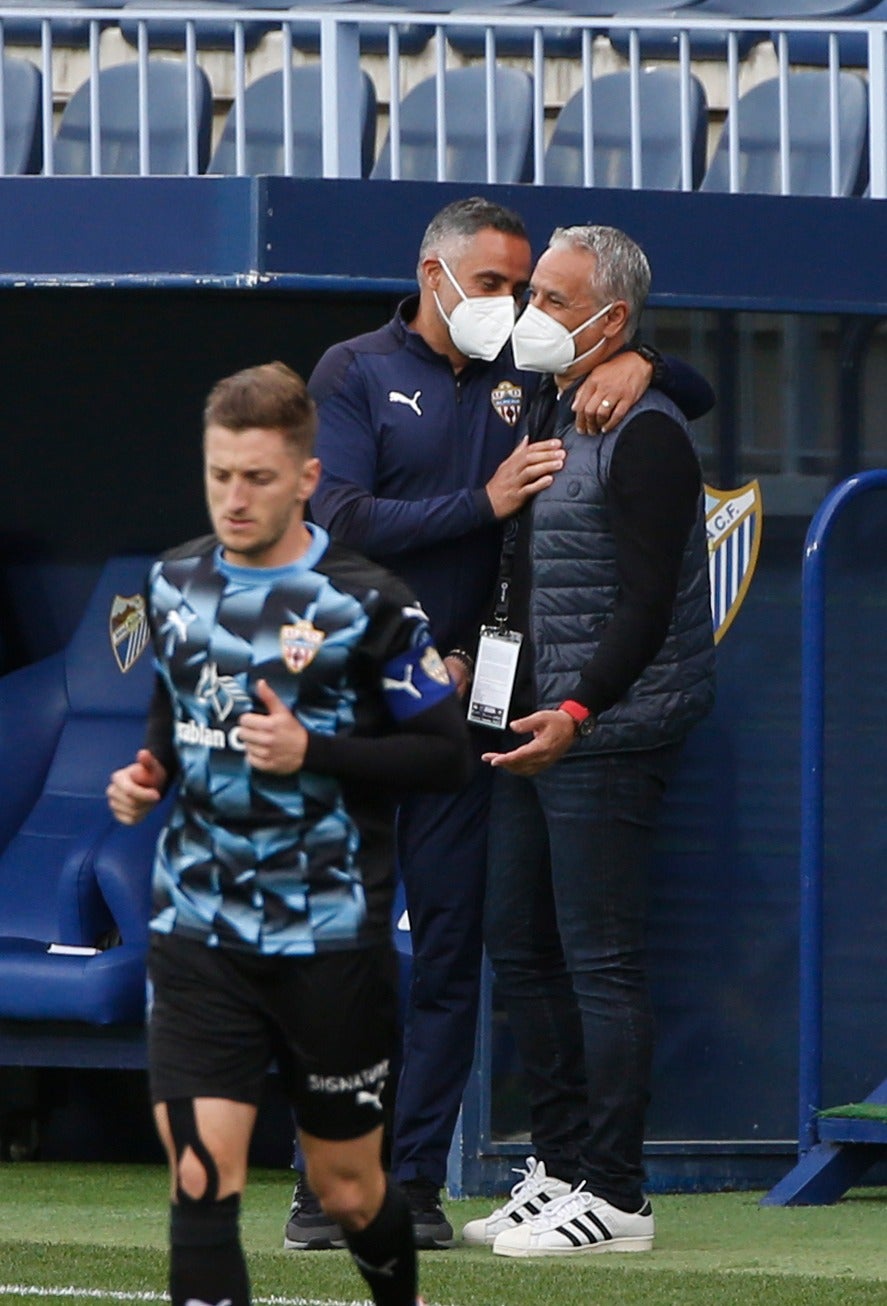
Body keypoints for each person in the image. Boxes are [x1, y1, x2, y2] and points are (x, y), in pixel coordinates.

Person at [298, 196, 715, 1250]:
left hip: (494, 711)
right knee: (353, 950)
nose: (513, 309)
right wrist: (478, 506)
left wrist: (650, 366)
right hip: (359, 692)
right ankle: (332, 1180)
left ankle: (436, 1182)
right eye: (496, 286)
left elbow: (681, 394)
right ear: (432, 274)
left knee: (461, 952)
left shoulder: (538, 380)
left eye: (529, 290)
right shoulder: (353, 368)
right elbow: (337, 517)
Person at [106, 361, 471, 1306]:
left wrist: (315, 749)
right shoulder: (173, 582)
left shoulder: (368, 603)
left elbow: (442, 758)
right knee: (201, 1177)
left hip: (329, 939)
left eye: (258, 478)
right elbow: (173, 711)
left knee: (349, 1190)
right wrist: (149, 775)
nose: (234, 497)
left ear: (307, 478)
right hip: (197, 928)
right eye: (220, 474)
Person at [461, 225, 716, 1256]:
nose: (531, 312)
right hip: (525, 723)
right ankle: (562, 1166)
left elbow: (648, 602)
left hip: (600, 731)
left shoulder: (643, 425)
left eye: (556, 299)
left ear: (612, 322)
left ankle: (616, 1194)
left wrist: (577, 712)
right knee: (518, 945)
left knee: (599, 961)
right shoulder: (556, 395)